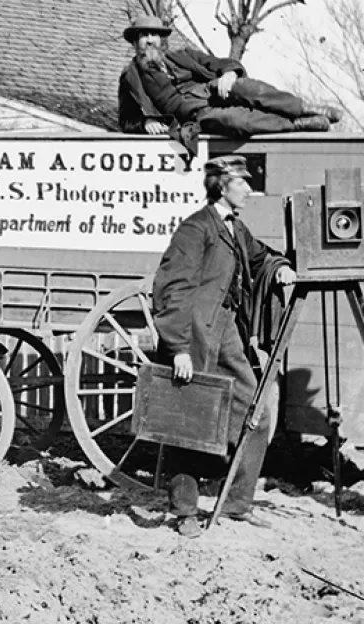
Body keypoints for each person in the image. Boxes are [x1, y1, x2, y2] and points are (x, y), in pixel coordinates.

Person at [151, 155, 295, 538]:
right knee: (189, 420)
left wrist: (279, 268)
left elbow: (260, 256)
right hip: (195, 336)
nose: (249, 189)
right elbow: (173, 287)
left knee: (257, 409)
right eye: (242, 182)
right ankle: (184, 512)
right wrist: (179, 348)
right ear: (220, 185)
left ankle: (237, 502)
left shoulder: (234, 228)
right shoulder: (196, 229)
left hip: (226, 332)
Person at [119, 15, 340, 140]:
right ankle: (297, 124)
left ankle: (307, 108)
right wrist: (145, 122)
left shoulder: (183, 55)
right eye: (143, 36)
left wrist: (230, 73)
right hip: (194, 114)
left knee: (246, 87)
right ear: (135, 42)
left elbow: (220, 64)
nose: (149, 40)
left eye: (154, 35)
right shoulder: (130, 78)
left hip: (212, 90)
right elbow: (127, 121)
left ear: (162, 39)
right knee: (236, 121)